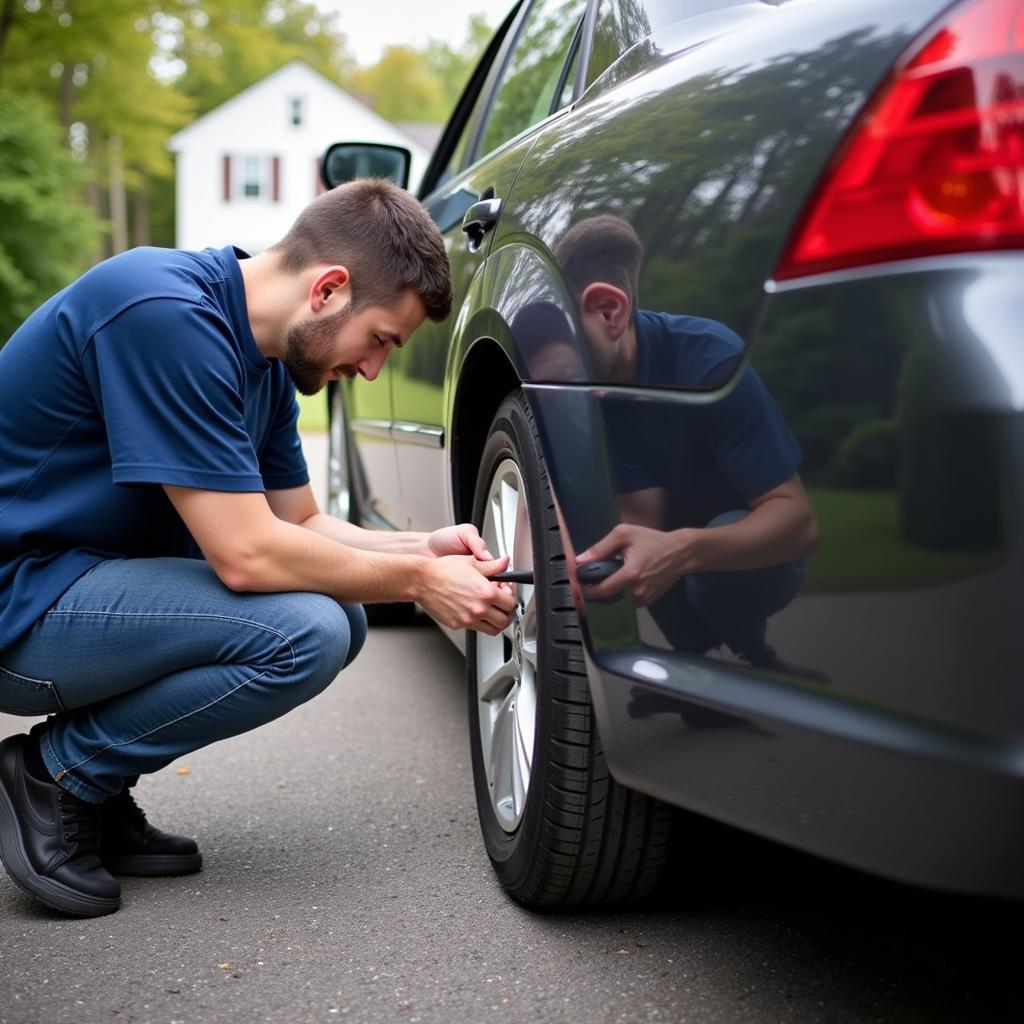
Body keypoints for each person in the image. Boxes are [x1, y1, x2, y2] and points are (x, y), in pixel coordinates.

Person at [0, 178, 516, 918]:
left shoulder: (267, 361)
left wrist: (423, 549)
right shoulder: (163, 314)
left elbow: (298, 524)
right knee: (305, 630)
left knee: (343, 614)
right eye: (380, 341)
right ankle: (56, 776)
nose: (372, 370)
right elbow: (247, 556)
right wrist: (417, 582)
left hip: (73, 590)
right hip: (17, 602)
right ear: (329, 289)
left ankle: (94, 790)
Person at [550, 215, 818, 664]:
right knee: (630, 544)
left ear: (608, 311)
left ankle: (753, 655)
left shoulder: (710, 358)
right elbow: (642, 518)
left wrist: (680, 551)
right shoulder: (598, 389)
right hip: (686, 548)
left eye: (557, 333)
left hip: (754, 552)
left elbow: (798, 522)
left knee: (707, 553)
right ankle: (696, 665)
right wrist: (582, 570)